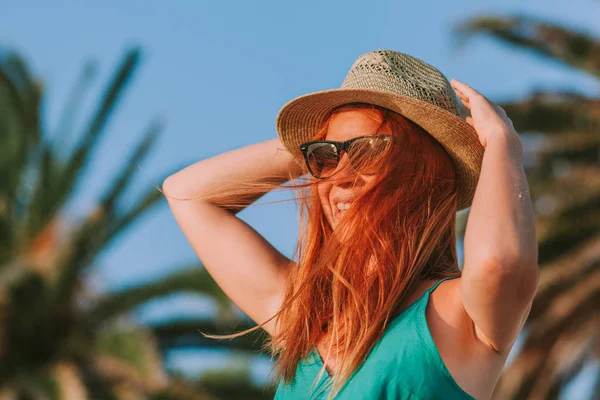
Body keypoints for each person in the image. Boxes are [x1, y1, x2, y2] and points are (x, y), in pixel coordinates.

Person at [162, 50, 538, 400]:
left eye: (367, 153)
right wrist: (310, 149)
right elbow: (187, 194)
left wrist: (503, 146)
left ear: (424, 174)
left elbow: (498, 263)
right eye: (327, 158)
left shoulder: (457, 316)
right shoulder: (306, 314)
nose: (339, 176)